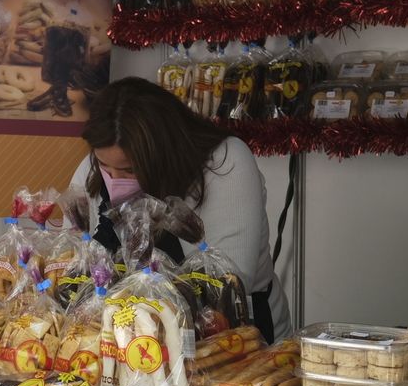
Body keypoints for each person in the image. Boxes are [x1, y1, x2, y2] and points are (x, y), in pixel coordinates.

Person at [70, 76, 290, 342]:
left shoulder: (224, 163)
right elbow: (78, 260)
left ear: (161, 152)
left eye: (129, 169)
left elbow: (229, 286)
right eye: (106, 167)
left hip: (237, 336)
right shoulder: (94, 166)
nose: (115, 179)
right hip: (131, 337)